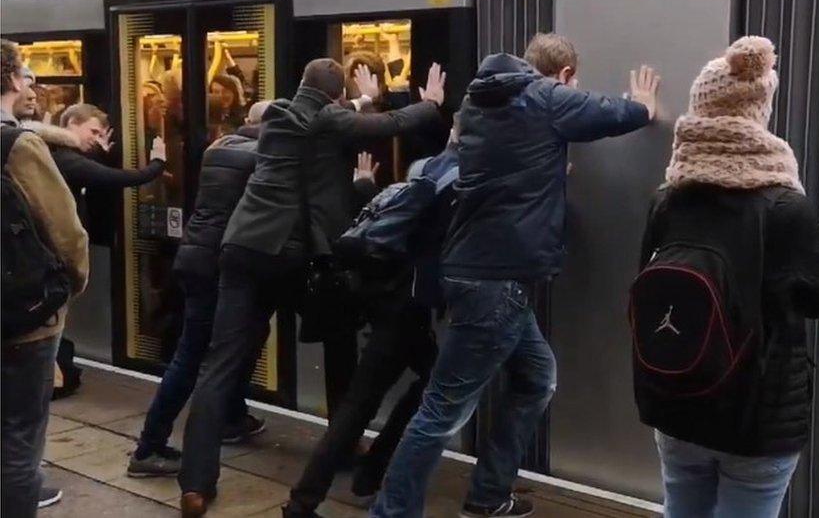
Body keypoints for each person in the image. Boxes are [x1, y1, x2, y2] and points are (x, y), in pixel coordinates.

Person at [370, 33, 661, 518]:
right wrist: (645, 107)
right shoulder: (544, 97)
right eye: (573, 82)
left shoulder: (480, 102)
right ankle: (393, 512)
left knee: (535, 378)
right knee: (442, 411)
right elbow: (612, 114)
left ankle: (488, 494)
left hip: (478, 271)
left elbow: (506, 167)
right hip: (496, 279)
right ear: (564, 75)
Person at [178, 57, 447, 517]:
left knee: (218, 365)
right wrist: (431, 103)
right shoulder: (329, 121)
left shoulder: (279, 115)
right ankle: (342, 445)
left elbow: (332, 112)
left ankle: (195, 485)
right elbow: (392, 123)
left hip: (242, 248)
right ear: (336, 97)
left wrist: (359, 98)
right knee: (340, 341)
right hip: (295, 256)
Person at [634, 36, 819, 518]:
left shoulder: (668, 198)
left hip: (678, 397)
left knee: (681, 507)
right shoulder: (784, 203)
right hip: (757, 411)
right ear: (758, 112)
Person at [282, 115, 463, 518]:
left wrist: (365, 186)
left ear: (453, 130)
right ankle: (306, 499)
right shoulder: (460, 179)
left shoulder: (425, 168)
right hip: (406, 303)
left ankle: (366, 473)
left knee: (425, 384)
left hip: (391, 298)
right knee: (366, 403)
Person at [126, 100, 272, 478]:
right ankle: (148, 447)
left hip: (196, 257)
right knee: (194, 356)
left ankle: (232, 415)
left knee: (248, 336)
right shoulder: (262, 155)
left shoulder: (220, 148)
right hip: (214, 266)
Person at [1, 38, 89, 518]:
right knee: (19, 434)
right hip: (23, 317)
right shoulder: (18, 145)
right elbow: (67, 232)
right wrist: (70, 289)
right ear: (13, 79)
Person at [209, 74, 246, 138]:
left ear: (234, 94)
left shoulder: (243, 117)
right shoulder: (205, 118)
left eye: (226, 91)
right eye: (216, 92)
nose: (221, 95)